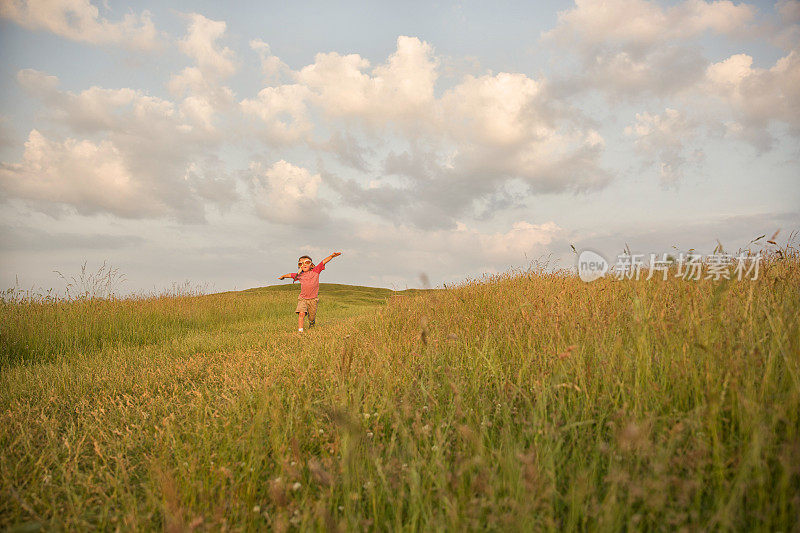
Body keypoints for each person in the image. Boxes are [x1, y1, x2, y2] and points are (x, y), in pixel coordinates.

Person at [279, 252, 342, 332]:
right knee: (301, 314)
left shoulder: (316, 271)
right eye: (301, 263)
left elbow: (323, 262)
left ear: (311, 265)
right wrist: (283, 277)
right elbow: (290, 274)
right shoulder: (299, 275)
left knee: (311, 317)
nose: (304, 264)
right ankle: (300, 331)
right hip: (303, 299)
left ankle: (312, 322)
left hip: (313, 299)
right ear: (299, 266)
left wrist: (332, 256)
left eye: (307, 262)